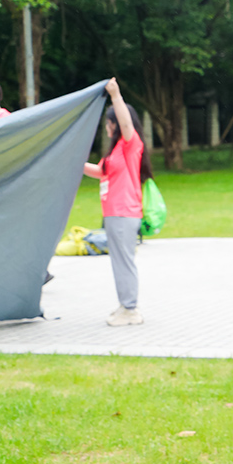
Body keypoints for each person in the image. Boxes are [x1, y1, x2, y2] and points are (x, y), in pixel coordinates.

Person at [82, 78, 151, 326]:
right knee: (119, 261)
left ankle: (131, 310)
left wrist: (116, 96)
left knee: (124, 262)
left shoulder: (131, 145)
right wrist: (74, 164)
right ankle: (125, 305)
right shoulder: (115, 151)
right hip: (113, 212)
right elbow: (101, 172)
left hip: (124, 212)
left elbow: (125, 122)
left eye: (109, 123)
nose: (109, 127)